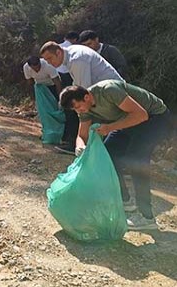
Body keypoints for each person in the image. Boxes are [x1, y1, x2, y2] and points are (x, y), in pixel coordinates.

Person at [59, 81, 171, 230]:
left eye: (78, 107)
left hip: (155, 118)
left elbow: (141, 115)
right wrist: (80, 146)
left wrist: (110, 128)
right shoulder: (83, 108)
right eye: (75, 109)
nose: (79, 111)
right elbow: (82, 135)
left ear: (87, 97)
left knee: (135, 160)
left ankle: (147, 217)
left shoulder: (109, 90)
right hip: (128, 120)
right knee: (108, 155)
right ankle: (125, 201)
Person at [39, 41, 124, 154]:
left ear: (58, 52)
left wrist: (80, 112)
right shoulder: (71, 55)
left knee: (82, 111)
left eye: (50, 58)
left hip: (112, 94)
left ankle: (86, 148)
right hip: (102, 92)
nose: (49, 63)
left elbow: (84, 91)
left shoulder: (77, 60)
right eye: (46, 60)